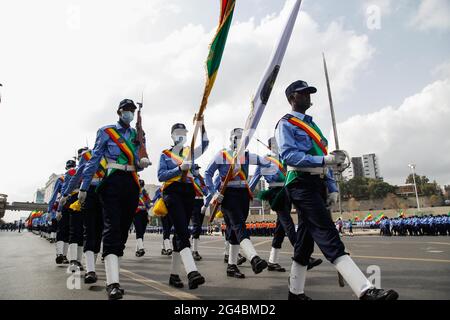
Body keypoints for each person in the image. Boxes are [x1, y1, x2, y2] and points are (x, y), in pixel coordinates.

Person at [275, 80, 398, 300]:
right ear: (292, 98)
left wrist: (331, 186)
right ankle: (364, 290)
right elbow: (289, 156)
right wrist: (325, 159)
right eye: (303, 93)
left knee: (304, 242)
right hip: (300, 183)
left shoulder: (314, 126)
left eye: (309, 93)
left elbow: (326, 164)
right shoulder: (285, 124)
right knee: (326, 231)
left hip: (317, 184)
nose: (308, 96)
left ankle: (295, 292)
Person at [78, 98, 151, 299]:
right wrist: (84, 187)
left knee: (122, 229)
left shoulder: (138, 134)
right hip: (111, 181)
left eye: (132, 110)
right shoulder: (106, 131)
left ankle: (111, 257)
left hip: (131, 182)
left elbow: (139, 157)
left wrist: (142, 160)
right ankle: (113, 283)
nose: (130, 113)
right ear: (119, 112)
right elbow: (94, 159)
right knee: (111, 225)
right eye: (126, 110)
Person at [248, 137, 322, 272]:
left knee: (280, 229)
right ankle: (302, 255)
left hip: (287, 190)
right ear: (270, 146)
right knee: (288, 223)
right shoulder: (265, 160)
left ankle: (272, 261)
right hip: (275, 193)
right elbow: (254, 180)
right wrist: (246, 194)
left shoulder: (285, 158)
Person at [205, 128, 270, 279]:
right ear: (231, 139)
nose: (240, 141)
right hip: (228, 195)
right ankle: (254, 258)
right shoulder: (222, 155)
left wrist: (274, 156)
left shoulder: (246, 155)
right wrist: (214, 193)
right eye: (237, 138)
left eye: (242, 138)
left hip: (243, 195)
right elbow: (207, 173)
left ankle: (231, 266)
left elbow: (263, 161)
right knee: (239, 226)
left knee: (234, 231)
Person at [157, 119, 208, 289]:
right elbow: (161, 175)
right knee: (182, 230)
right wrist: (179, 169)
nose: (181, 137)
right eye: (178, 134)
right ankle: (192, 271)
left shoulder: (190, 152)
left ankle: (174, 275)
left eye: (184, 134)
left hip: (188, 192)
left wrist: (201, 125)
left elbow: (206, 143)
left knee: (180, 234)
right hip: (172, 192)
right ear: (172, 136)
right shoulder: (165, 154)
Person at [62, 147, 107, 283]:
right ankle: (90, 271)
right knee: (89, 229)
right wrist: (66, 193)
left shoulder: (111, 153)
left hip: (106, 193)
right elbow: (77, 175)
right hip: (89, 192)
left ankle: (90, 266)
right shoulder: (87, 156)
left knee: (99, 231)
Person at [59, 148, 89, 274]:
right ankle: (73, 260)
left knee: (82, 231)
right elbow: (66, 188)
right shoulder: (73, 172)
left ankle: (78, 260)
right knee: (75, 229)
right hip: (75, 200)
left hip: (87, 199)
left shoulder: (94, 168)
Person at [47, 161, 74, 265]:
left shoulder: (61, 178)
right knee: (67, 231)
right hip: (70, 205)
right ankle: (63, 255)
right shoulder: (72, 176)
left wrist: (50, 210)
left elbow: (53, 196)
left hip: (64, 205)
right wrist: (50, 210)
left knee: (62, 230)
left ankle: (60, 254)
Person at [190, 164, 209, 261]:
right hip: (192, 202)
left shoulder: (201, 179)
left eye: (198, 169)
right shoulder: (189, 179)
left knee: (199, 226)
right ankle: (194, 250)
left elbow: (206, 192)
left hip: (201, 202)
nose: (198, 171)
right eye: (196, 169)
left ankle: (193, 245)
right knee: (196, 225)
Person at [134, 180, 151, 257]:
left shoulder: (144, 193)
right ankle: (141, 248)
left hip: (144, 213)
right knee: (139, 230)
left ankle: (138, 249)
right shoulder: (133, 191)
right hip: (136, 213)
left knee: (142, 232)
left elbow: (148, 202)